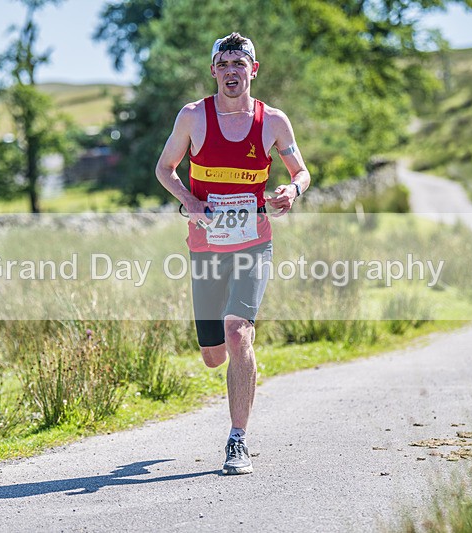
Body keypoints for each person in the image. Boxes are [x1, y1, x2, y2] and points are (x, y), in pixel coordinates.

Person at [155, 32, 310, 475]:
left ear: (253, 70)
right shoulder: (193, 117)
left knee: (238, 332)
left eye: (239, 63)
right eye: (223, 64)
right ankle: (223, 348)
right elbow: (164, 169)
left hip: (254, 243)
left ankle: (237, 440)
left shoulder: (273, 121)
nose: (230, 71)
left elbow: (301, 172)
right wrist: (189, 200)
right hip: (206, 246)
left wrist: (292, 190)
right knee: (213, 353)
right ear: (213, 71)